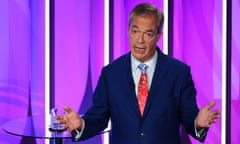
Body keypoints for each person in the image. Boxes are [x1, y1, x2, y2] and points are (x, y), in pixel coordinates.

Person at [56, 3, 220, 144]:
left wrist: (198, 123)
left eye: (148, 34)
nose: (140, 40)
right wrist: (81, 125)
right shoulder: (111, 74)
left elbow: (189, 117)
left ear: (158, 36)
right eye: (135, 31)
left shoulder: (179, 73)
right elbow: (98, 117)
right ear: (128, 31)